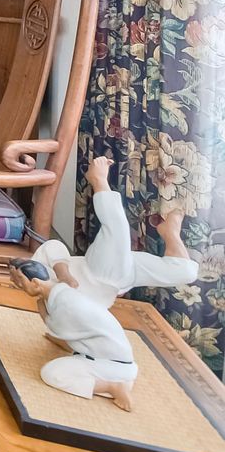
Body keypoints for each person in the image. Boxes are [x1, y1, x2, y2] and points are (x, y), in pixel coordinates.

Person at [33, 157, 198, 307]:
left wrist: (64, 276)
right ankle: (170, 234)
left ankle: (98, 181)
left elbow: (51, 246)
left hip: (97, 271)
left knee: (117, 229)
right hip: (120, 279)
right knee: (187, 272)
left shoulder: (40, 271)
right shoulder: (53, 306)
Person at [10, 258, 137, 409]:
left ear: (36, 283)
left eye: (21, 281)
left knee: (51, 373)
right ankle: (112, 380)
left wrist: (41, 309)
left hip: (113, 365)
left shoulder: (65, 303)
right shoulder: (61, 293)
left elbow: (54, 326)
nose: (18, 285)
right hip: (106, 356)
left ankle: (112, 386)